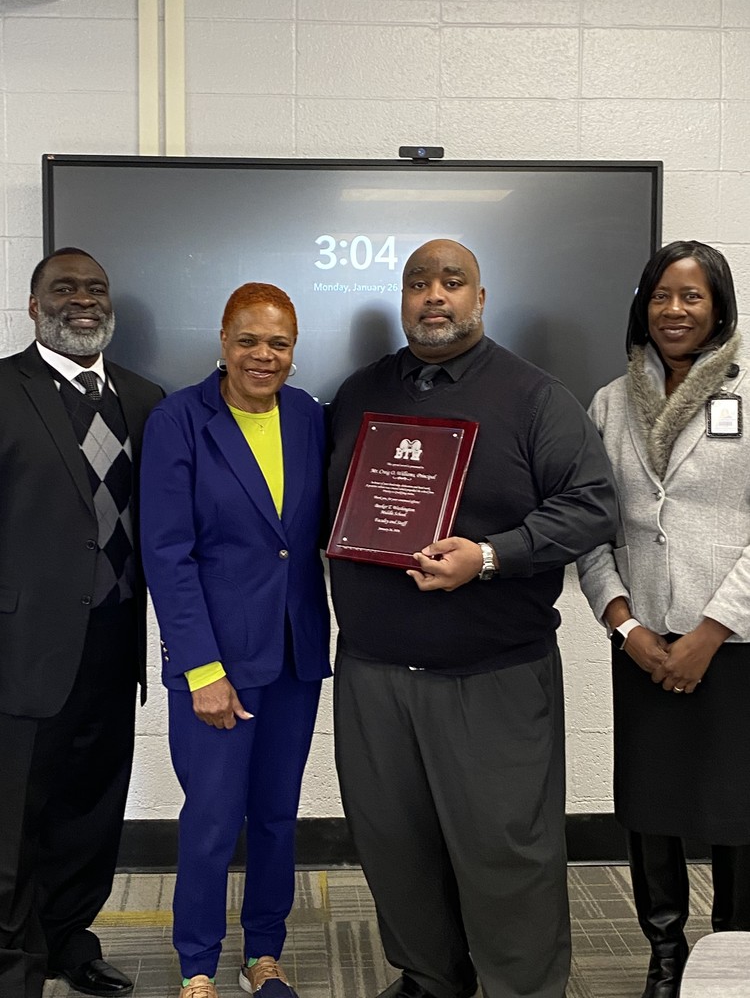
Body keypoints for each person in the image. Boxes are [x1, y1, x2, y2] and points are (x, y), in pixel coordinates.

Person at [326, 239, 618, 998]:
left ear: (480, 299)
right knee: (396, 848)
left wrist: (488, 556)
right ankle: (430, 978)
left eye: (452, 282)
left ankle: (521, 989)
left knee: (506, 856)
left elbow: (593, 506)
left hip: (492, 679)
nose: (434, 296)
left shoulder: (534, 397)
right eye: (418, 282)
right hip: (374, 677)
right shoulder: (358, 394)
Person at [140, 282, 330, 998]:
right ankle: (196, 963)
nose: (263, 355)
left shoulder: (311, 417)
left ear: (293, 347)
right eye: (248, 340)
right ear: (223, 341)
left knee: (277, 814)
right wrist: (200, 669)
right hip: (215, 661)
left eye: (278, 342)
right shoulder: (179, 421)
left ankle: (264, 955)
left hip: (293, 654)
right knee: (213, 819)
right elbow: (167, 554)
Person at [577, 240, 750, 998]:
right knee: (649, 806)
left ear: (719, 308)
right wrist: (626, 626)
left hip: (734, 644)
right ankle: (665, 951)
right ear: (642, 305)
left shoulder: (748, 393)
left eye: (692, 297)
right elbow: (592, 530)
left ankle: (734, 952)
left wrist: (710, 631)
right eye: (660, 296)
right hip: (643, 645)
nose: (673, 311)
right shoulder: (610, 402)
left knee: (736, 810)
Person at [0, 247, 164, 998]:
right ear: (34, 307)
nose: (83, 300)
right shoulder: (3, 390)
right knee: (14, 823)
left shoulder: (145, 398)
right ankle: (14, 964)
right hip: (21, 648)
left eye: (96, 287)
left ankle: (70, 939)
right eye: (63, 289)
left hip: (113, 641)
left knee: (92, 809)